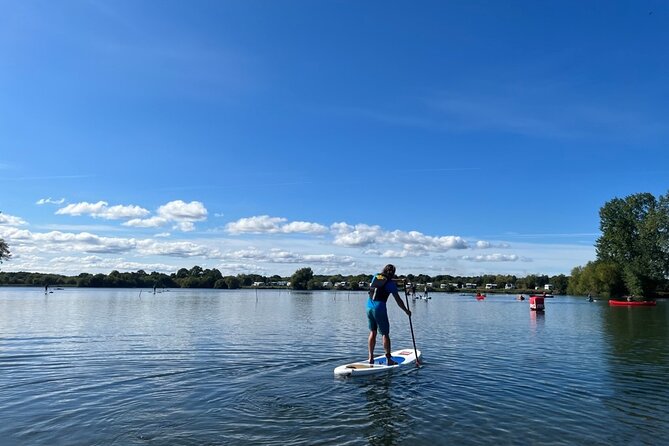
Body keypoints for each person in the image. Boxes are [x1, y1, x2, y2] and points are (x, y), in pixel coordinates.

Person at [367, 264, 411, 366]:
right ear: (393, 273)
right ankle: (389, 360)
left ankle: (370, 357)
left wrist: (400, 280)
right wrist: (406, 310)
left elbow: (386, 279)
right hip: (379, 308)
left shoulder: (375, 276)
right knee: (385, 334)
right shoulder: (391, 285)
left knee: (373, 332)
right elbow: (398, 300)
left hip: (368, 307)